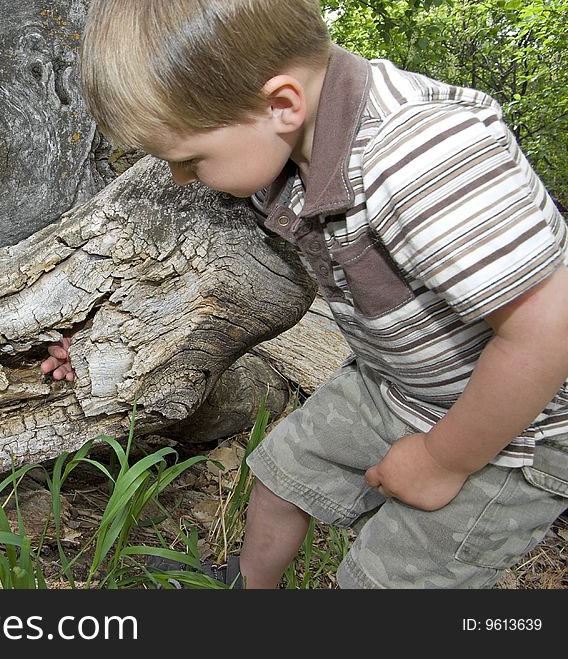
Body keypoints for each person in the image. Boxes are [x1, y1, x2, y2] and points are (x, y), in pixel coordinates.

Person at [42, 0, 568, 588]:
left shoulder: (422, 156)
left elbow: (548, 331)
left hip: (516, 431)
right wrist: (101, 337)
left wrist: (444, 458)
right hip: (396, 385)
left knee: (385, 579)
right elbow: (185, 270)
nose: (179, 178)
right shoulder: (284, 145)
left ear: (282, 104)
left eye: (189, 159)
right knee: (281, 475)